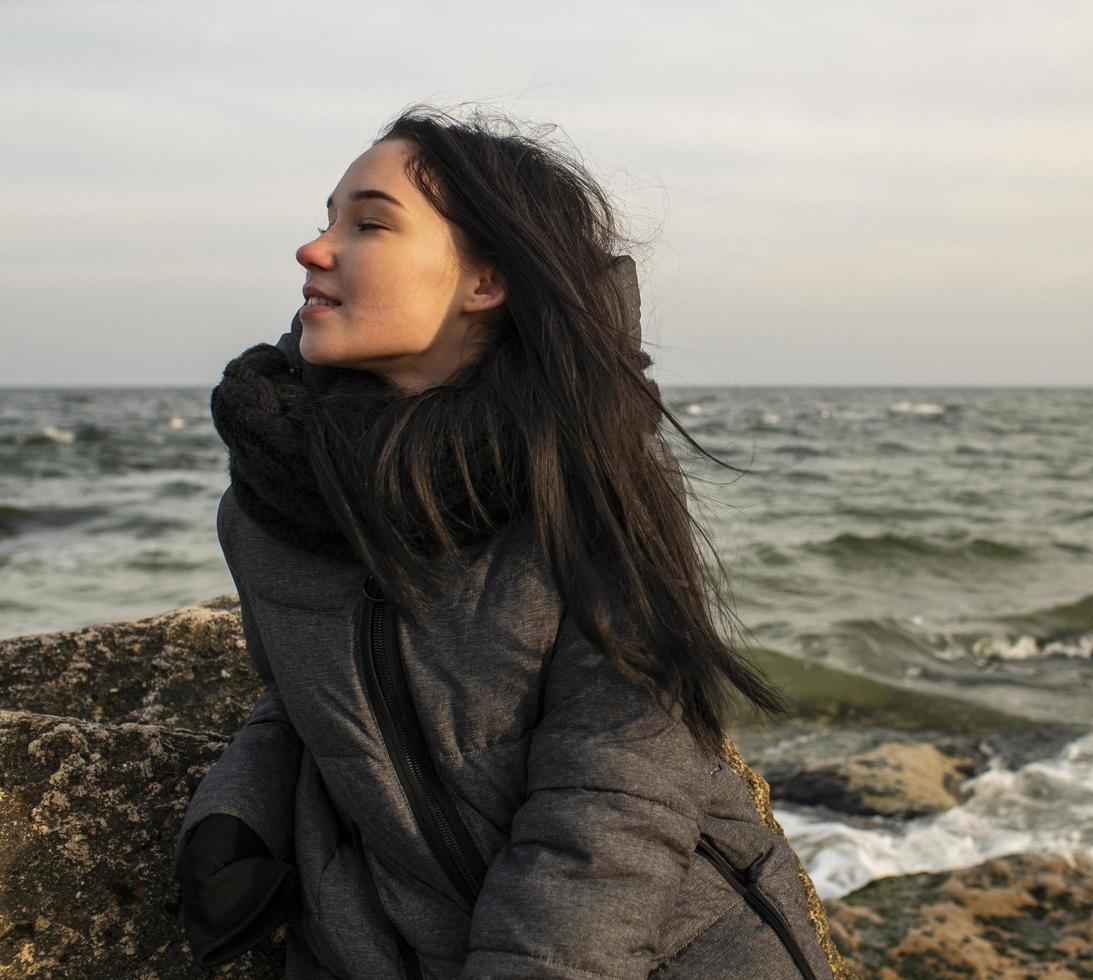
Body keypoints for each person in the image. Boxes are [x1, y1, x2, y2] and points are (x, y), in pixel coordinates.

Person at [172, 104, 837, 980]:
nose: (315, 250)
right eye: (324, 220)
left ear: (485, 279)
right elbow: (302, 697)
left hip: (667, 949)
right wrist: (236, 812)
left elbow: (617, 791)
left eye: (368, 223)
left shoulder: (582, 472)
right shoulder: (273, 494)